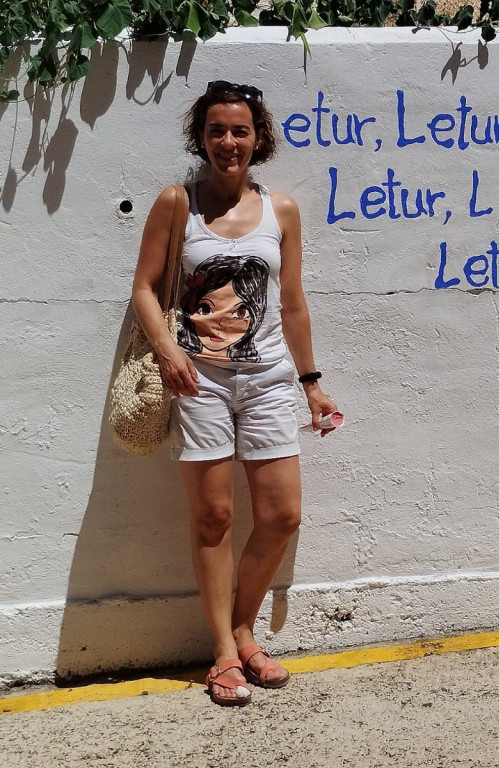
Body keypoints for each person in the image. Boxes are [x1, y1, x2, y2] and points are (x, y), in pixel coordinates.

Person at [130, 80, 338, 707]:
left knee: (281, 515)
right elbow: (144, 288)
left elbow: (291, 303)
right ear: (201, 137)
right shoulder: (177, 203)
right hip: (199, 380)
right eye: (216, 130)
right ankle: (224, 651)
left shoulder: (281, 211)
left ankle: (244, 629)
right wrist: (167, 352)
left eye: (240, 130)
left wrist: (311, 383)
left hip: (269, 376)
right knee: (213, 517)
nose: (228, 141)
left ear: (258, 138)